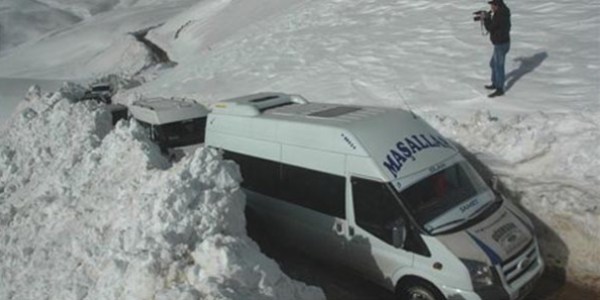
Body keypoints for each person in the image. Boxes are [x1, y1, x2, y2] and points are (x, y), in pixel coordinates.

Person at [483, 0, 511, 98]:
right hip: (502, 43)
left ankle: (499, 88)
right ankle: (495, 83)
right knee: (493, 64)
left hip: (501, 44)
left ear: (497, 5)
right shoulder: (502, 12)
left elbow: (490, 27)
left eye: (492, 5)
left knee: (499, 66)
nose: (491, 7)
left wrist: (486, 19)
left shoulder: (500, 15)